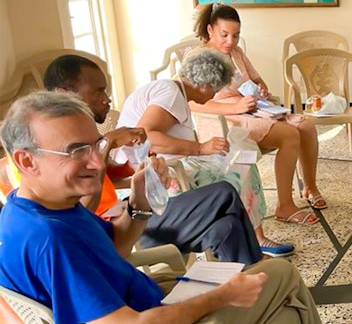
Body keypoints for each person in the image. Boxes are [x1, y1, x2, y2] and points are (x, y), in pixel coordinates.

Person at [0, 92, 321, 323]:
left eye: (97, 145)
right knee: (281, 272)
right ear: (27, 160)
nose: (97, 162)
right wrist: (222, 297)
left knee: (286, 312)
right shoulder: (51, 238)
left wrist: (139, 202)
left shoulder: (36, 207)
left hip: (146, 298)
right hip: (147, 316)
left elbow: (114, 249)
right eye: (76, 151)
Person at [41, 54, 264, 265]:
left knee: (226, 226)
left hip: (129, 213)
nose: (107, 99)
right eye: (98, 92)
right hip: (118, 229)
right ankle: (257, 268)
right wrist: (107, 142)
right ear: (65, 93)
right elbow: (82, 211)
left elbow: (111, 178)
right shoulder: (56, 145)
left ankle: (253, 283)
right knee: (222, 193)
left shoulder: (82, 132)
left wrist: (144, 170)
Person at [116, 48, 294, 256]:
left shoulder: (171, 90)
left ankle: (251, 238)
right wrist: (199, 149)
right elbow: (146, 136)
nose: (213, 96)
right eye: (214, 90)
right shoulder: (171, 94)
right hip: (159, 176)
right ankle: (253, 239)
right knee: (241, 170)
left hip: (162, 167)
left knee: (241, 163)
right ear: (205, 85)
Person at [191, 2, 326, 222]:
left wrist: (261, 88)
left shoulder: (236, 53)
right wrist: (234, 107)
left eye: (235, 36)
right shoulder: (200, 59)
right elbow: (191, 103)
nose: (230, 41)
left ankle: (309, 188)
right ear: (210, 30)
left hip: (250, 109)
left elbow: (255, 79)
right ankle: (285, 207)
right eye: (224, 35)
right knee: (289, 134)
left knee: (306, 126)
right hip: (222, 118)